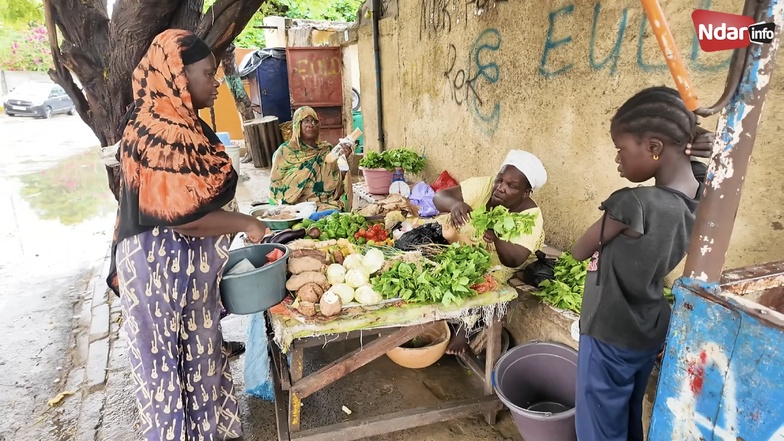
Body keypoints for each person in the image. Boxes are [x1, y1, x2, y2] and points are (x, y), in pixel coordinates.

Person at [108, 29, 269, 441]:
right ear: (179, 75)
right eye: (206, 73)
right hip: (156, 265)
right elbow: (182, 217)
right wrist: (247, 224)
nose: (214, 83)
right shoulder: (162, 127)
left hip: (182, 266)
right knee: (164, 370)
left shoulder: (175, 119)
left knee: (201, 358)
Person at [570, 86, 703, 441]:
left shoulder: (634, 203)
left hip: (608, 329)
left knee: (597, 424)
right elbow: (699, 171)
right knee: (629, 415)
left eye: (620, 150)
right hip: (649, 328)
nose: (617, 161)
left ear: (654, 148)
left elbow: (579, 250)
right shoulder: (701, 196)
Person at [433, 150, 547, 354]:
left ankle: (464, 329)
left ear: (525, 192)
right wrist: (455, 204)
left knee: (487, 278)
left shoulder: (529, 215)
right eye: (500, 180)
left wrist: (496, 238)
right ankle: (443, 318)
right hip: (476, 246)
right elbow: (439, 197)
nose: (500, 188)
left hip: (504, 260)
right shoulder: (484, 186)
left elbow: (513, 259)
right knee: (445, 261)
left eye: (511, 186)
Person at [269, 106, 353, 210]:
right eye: (306, 121)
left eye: (314, 121)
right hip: (294, 206)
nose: (310, 125)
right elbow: (275, 183)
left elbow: (337, 180)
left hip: (324, 203)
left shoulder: (326, 150)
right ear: (297, 125)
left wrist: (343, 159)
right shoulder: (285, 152)